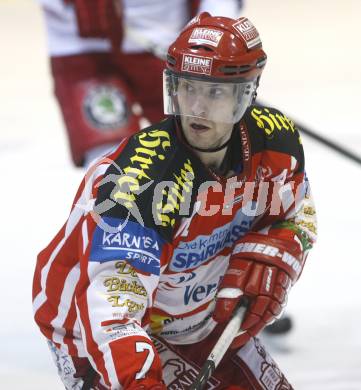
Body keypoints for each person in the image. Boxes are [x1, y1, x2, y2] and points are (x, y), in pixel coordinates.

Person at [33, 13, 317, 389]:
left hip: (198, 321)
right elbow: (112, 316)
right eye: (188, 87)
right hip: (93, 332)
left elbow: (297, 214)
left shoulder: (275, 142)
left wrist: (282, 252)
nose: (197, 107)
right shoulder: (141, 183)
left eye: (214, 92)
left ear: (245, 92)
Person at [37, 0, 243, 167]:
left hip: (173, 45)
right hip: (82, 49)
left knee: (211, 146)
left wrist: (215, 30)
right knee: (109, 165)